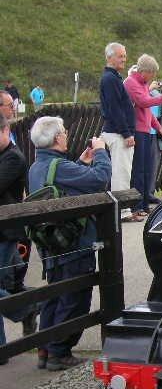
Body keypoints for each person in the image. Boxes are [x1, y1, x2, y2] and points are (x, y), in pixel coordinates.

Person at [28, 116, 111, 370]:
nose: (66, 135)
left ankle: (45, 348)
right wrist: (100, 152)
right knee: (74, 297)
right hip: (74, 243)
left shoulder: (37, 167)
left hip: (51, 246)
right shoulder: (61, 167)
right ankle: (59, 352)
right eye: (63, 131)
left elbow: (61, 188)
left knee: (55, 296)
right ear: (56, 139)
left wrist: (80, 163)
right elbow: (99, 180)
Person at [0, 112, 38, 365]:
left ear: (5, 132)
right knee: (6, 284)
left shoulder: (14, 157)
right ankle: (26, 308)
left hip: (6, 232)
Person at [123, 54, 162, 217]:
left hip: (146, 130)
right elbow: (144, 102)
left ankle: (144, 203)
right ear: (145, 71)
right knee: (138, 170)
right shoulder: (131, 82)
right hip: (136, 130)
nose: (153, 77)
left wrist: (159, 127)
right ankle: (136, 205)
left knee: (146, 170)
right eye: (152, 73)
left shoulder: (143, 83)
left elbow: (147, 111)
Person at [99, 42, 140, 222]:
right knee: (121, 173)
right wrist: (127, 133)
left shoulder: (113, 77)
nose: (124, 58)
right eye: (120, 56)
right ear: (109, 57)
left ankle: (122, 209)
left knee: (122, 172)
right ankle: (122, 212)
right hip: (117, 134)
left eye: (124, 55)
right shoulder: (109, 79)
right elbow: (115, 109)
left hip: (118, 132)